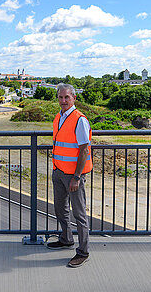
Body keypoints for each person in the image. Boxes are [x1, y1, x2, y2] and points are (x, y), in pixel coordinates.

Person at [47, 83, 92, 268]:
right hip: (58, 172)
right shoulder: (59, 117)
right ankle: (66, 239)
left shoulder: (79, 119)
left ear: (74, 98)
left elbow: (83, 150)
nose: (63, 100)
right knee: (60, 208)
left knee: (79, 214)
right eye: (60, 97)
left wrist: (76, 176)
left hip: (73, 176)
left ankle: (83, 252)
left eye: (67, 97)